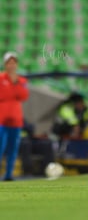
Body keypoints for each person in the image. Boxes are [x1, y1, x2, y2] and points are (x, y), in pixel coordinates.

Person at [0, 52, 30, 181]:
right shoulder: (1, 79)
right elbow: (5, 95)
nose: (11, 65)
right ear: (5, 64)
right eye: (9, 63)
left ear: (16, 65)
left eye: (13, 62)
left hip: (16, 121)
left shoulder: (21, 80)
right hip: (1, 120)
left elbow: (23, 96)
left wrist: (15, 82)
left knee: (13, 149)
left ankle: (8, 175)